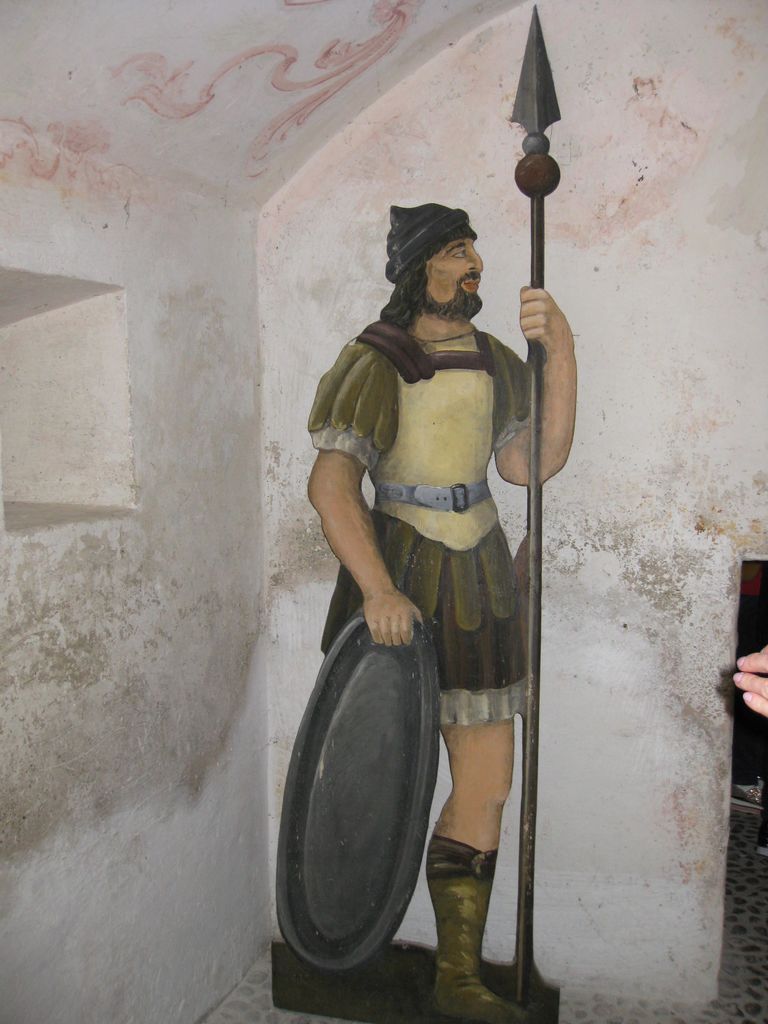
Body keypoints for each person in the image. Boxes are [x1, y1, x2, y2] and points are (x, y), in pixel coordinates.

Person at [307, 203, 576, 1023]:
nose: (474, 267)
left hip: (480, 581)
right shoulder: (377, 358)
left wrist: (563, 354)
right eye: (457, 252)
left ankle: (457, 974)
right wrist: (378, 589)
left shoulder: (498, 361)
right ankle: (344, 936)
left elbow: (529, 465)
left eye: (473, 253)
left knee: (487, 781)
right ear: (418, 267)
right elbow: (331, 484)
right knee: (375, 776)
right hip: (401, 572)